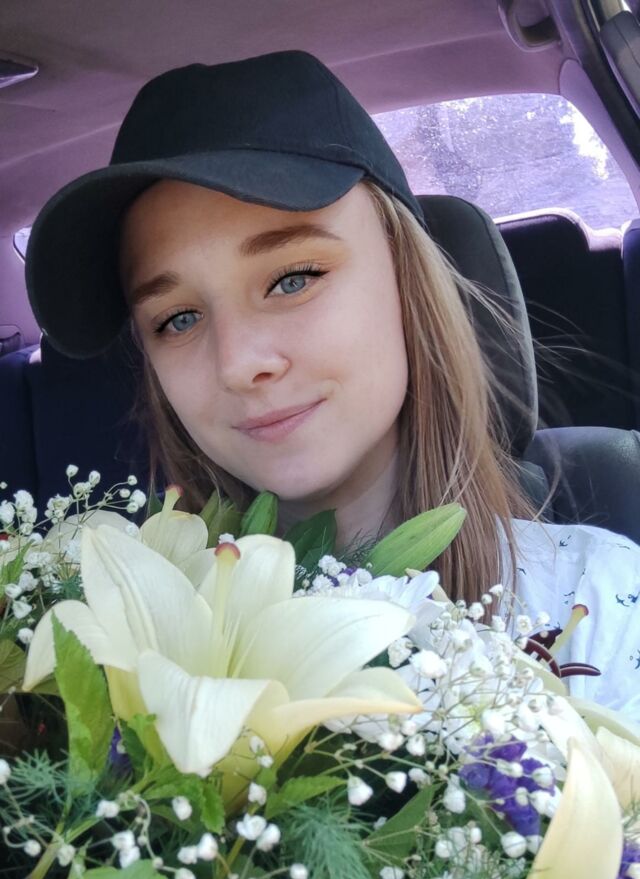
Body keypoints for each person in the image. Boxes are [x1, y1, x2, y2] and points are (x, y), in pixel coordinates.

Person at [24, 50, 640, 720]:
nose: (237, 364)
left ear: (407, 278)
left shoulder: (599, 606)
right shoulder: (113, 655)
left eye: (293, 279)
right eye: (178, 319)